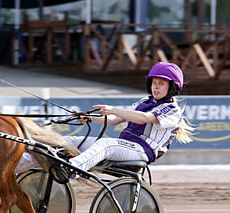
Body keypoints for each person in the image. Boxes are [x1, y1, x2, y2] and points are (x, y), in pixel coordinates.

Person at [16, 62, 193, 174]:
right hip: (125, 145)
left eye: (161, 83)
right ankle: (14, 167)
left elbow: (143, 118)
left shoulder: (171, 110)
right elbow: (115, 121)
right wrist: (89, 118)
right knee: (66, 142)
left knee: (105, 144)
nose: (156, 87)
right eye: (154, 82)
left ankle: (72, 170)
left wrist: (113, 109)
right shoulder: (143, 101)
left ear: (172, 87)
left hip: (141, 150)